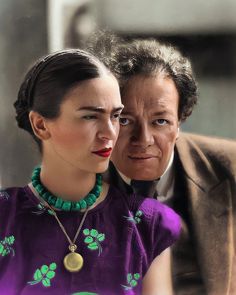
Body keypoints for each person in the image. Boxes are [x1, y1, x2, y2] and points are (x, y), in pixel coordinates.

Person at [0, 49, 181, 295]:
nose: (109, 133)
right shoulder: (4, 218)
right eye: (90, 116)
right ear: (41, 125)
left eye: (116, 116)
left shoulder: (147, 225)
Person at [88, 35, 236, 295]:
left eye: (160, 121)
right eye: (124, 120)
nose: (143, 140)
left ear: (180, 121)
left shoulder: (230, 170)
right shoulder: (74, 186)